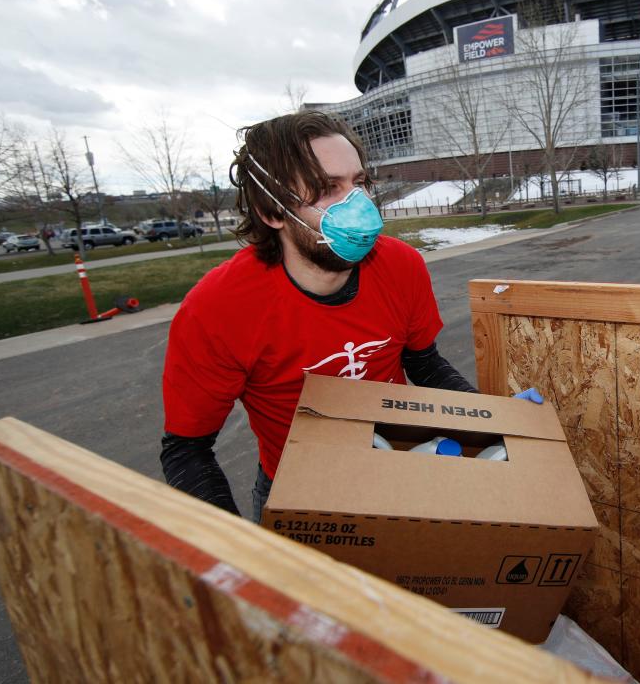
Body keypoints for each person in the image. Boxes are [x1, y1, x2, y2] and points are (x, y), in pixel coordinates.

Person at [160, 111, 534, 521]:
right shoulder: (218, 308)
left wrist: (491, 421)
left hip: (398, 464)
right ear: (272, 211)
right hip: (296, 489)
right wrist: (238, 551)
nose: (356, 204)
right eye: (327, 189)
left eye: (358, 183)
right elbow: (188, 449)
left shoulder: (401, 266)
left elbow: (425, 364)